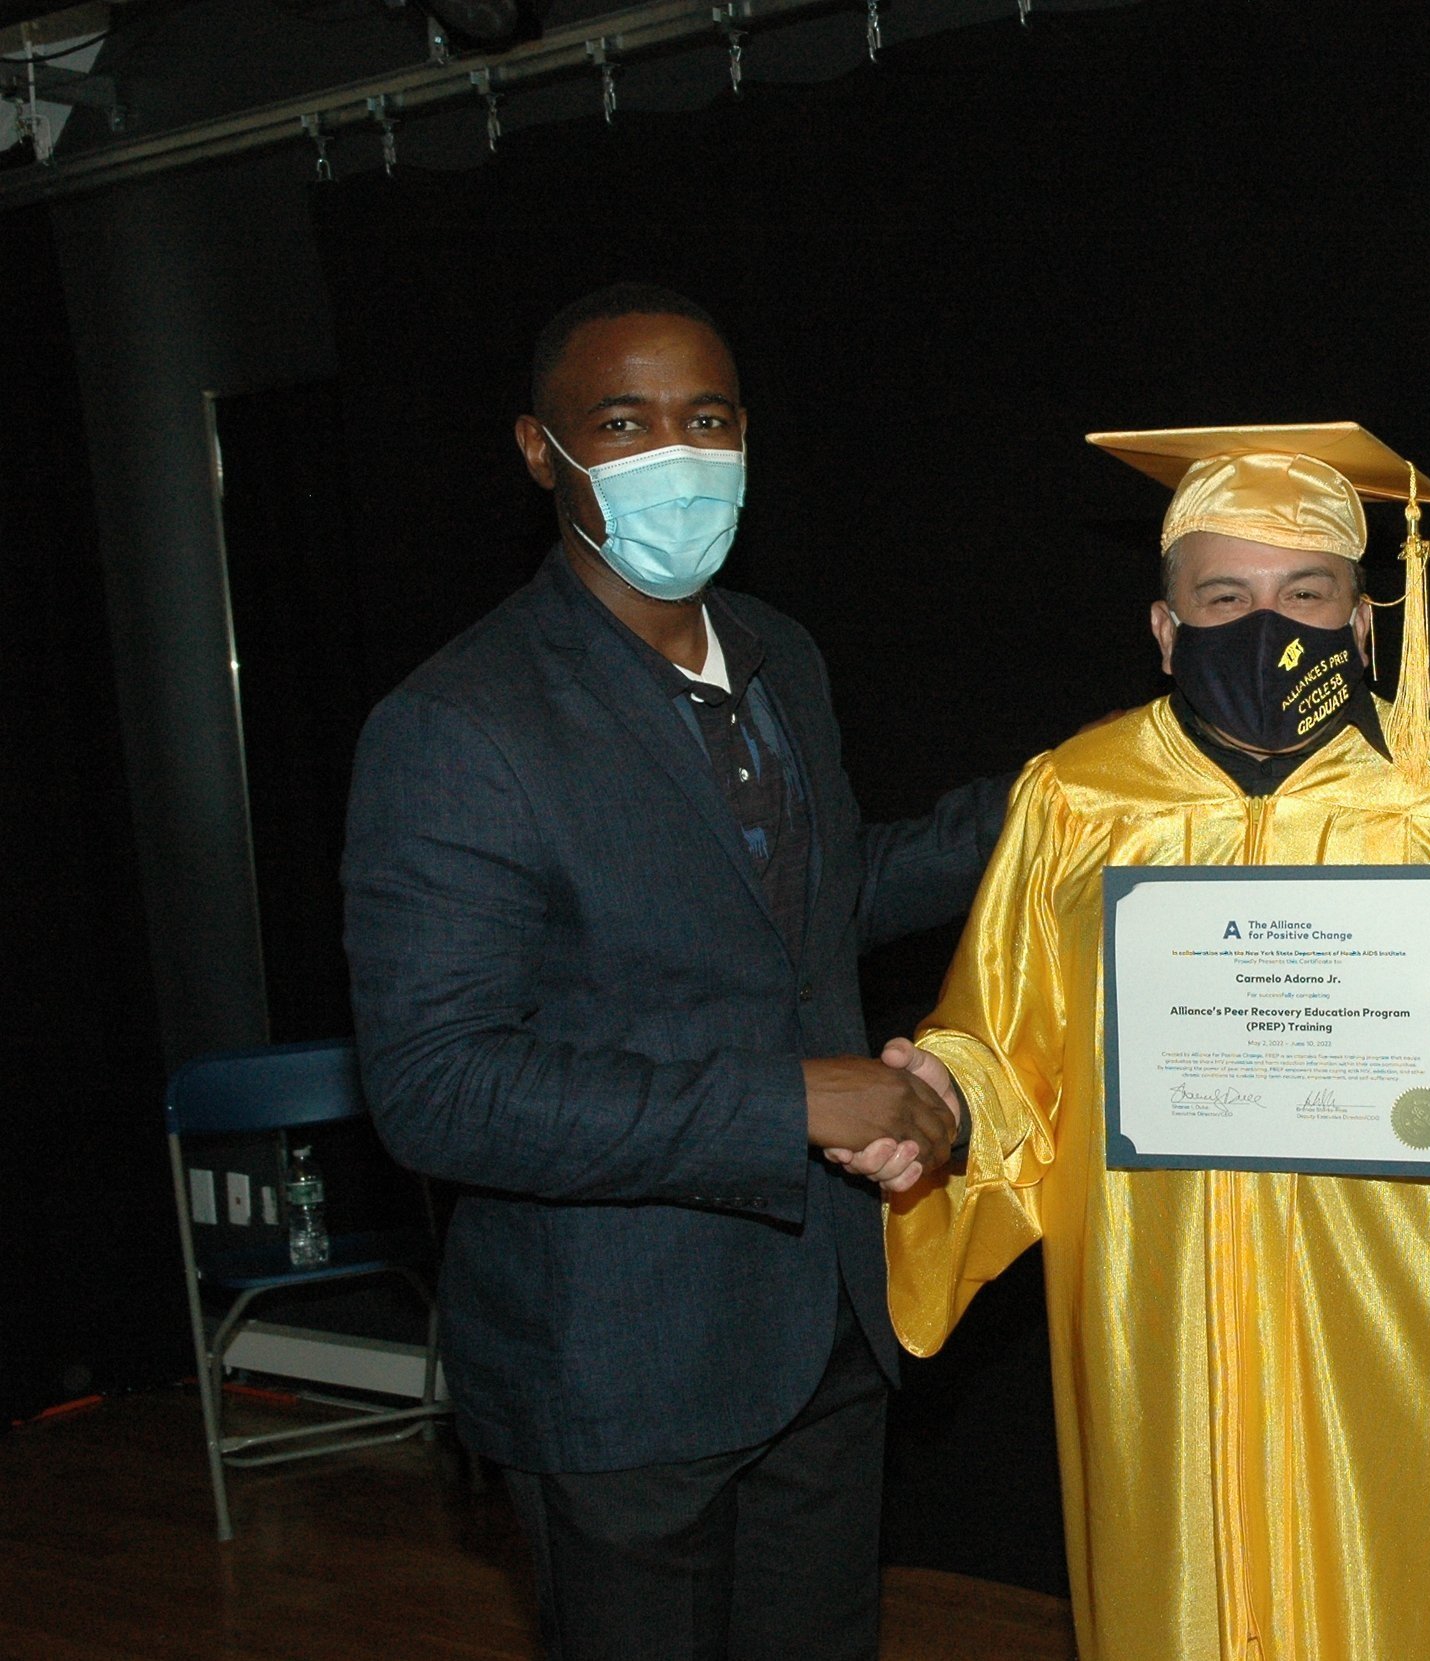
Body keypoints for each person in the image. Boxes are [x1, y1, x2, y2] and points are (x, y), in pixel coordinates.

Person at [879, 424, 1430, 1661]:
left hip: (1417, 1318)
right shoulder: (1076, 798)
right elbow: (1001, 1049)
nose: (1267, 623)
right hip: (1159, 1319)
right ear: (1166, 627)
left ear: (1359, 621)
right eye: (1223, 596)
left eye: (1306, 592)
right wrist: (938, 1098)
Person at [341, 283, 1005, 1661]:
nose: (675, 454)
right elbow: (439, 1087)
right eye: (624, 423)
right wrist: (789, 1105)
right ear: (542, 452)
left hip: (824, 1329)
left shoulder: (781, 657)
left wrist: (1059, 807)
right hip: (618, 1367)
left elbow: (820, 902)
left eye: (705, 419)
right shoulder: (457, 723)